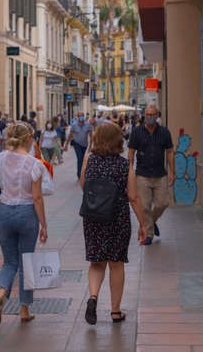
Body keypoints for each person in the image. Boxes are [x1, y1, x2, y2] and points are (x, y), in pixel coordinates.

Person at [80, 122, 147, 325]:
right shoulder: (124, 164)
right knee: (116, 264)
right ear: (118, 140)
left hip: (93, 218)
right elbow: (134, 197)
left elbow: (84, 186)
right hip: (117, 218)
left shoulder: (88, 160)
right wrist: (143, 225)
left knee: (97, 262)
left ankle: (93, 297)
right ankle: (115, 311)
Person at [0, 122, 47, 325]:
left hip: (4, 213)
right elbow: (37, 197)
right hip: (27, 213)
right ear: (29, 139)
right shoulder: (34, 163)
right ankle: (24, 310)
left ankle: (1, 292)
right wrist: (44, 224)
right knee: (26, 261)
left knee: (9, 261)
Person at [128, 105, 175, 245]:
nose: (149, 117)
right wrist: (129, 172)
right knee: (144, 206)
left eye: (152, 115)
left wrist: (172, 172)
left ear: (157, 115)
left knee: (163, 203)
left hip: (160, 174)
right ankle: (149, 234)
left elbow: (170, 152)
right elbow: (131, 153)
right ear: (144, 115)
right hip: (142, 174)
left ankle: (151, 222)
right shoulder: (137, 132)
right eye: (147, 115)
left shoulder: (164, 132)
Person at [64, 112, 93, 180]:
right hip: (76, 144)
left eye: (82, 116)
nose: (81, 117)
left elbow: (91, 136)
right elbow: (70, 135)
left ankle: (82, 173)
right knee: (80, 158)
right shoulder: (74, 125)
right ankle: (79, 175)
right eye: (80, 116)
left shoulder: (88, 125)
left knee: (82, 159)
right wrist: (66, 145)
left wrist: (90, 146)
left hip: (84, 144)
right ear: (77, 117)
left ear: (84, 116)